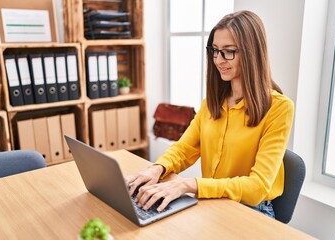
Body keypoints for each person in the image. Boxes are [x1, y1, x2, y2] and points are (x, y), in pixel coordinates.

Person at [126, 10, 294, 218]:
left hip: (252, 211)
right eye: (214, 50)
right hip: (213, 203)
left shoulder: (278, 108)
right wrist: (157, 169)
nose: (218, 60)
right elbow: (184, 148)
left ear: (252, 52)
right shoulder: (212, 103)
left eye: (228, 51)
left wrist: (188, 185)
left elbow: (257, 187)